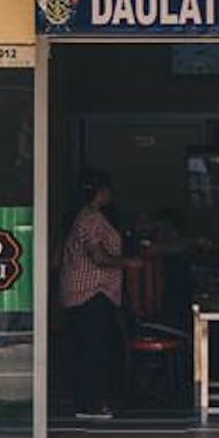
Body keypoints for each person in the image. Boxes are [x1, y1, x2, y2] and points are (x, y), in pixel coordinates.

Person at [58, 170, 132, 421]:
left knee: (88, 348)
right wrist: (127, 262)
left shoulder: (83, 216)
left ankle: (87, 401)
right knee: (93, 349)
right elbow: (97, 256)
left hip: (87, 292)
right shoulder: (91, 218)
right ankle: (88, 404)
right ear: (101, 192)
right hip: (91, 291)